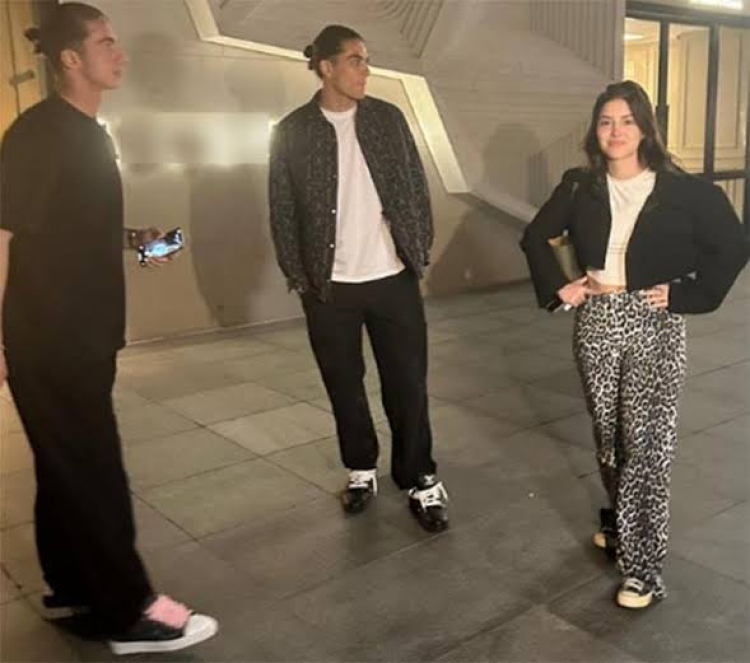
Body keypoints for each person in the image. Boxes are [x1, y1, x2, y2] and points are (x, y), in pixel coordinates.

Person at [0, 3, 218, 653]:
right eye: (106, 42)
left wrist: (135, 240)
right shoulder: (40, 134)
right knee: (93, 467)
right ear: (71, 58)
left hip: (83, 331)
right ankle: (129, 610)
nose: (120, 53)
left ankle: (71, 589)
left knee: (65, 465)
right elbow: (2, 234)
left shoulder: (88, 134)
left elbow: (67, 223)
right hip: (50, 336)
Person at [520, 81, 748, 609]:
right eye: (606, 121)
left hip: (654, 320)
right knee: (610, 439)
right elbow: (535, 237)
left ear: (645, 127)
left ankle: (644, 569)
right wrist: (561, 288)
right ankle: (622, 524)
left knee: (646, 444)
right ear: (594, 130)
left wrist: (690, 294)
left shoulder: (681, 190)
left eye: (626, 120)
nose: (616, 131)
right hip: (597, 319)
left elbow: (734, 244)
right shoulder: (579, 185)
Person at [268, 25, 449, 532]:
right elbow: (281, 209)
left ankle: (420, 476)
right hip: (329, 289)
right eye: (355, 60)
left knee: (407, 386)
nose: (365, 70)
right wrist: (299, 275)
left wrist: (418, 246)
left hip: (393, 279)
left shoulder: (388, 120)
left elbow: (416, 186)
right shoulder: (294, 131)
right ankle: (361, 468)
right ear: (326, 67)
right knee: (344, 387)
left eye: (367, 60)